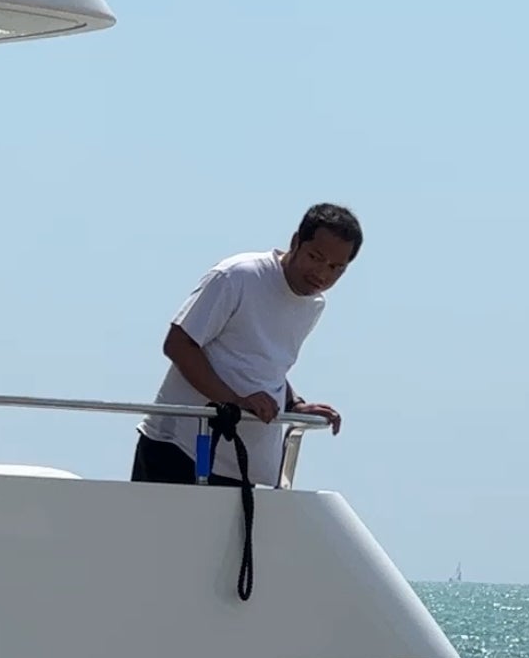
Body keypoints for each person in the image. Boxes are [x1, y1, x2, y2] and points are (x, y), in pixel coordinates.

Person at [132, 202, 361, 487]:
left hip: (242, 463)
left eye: (337, 268)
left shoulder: (313, 304)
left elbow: (263, 362)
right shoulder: (238, 275)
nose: (323, 274)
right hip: (182, 449)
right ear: (295, 242)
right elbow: (179, 344)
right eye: (316, 257)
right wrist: (235, 400)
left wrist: (294, 404)